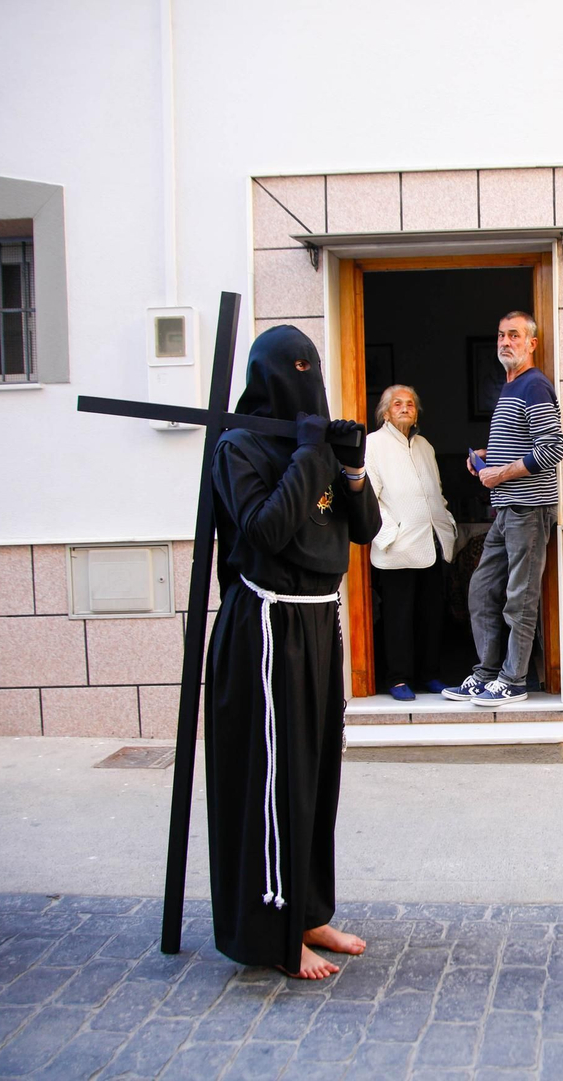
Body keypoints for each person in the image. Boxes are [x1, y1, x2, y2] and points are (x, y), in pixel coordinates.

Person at [204, 325, 381, 979]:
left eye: (314, 368)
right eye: (296, 369)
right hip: (266, 628)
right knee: (274, 782)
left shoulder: (315, 446)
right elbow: (267, 529)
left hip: (317, 623)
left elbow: (365, 531)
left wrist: (354, 467)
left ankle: (306, 910)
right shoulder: (240, 445)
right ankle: (270, 934)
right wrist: (310, 455)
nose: (308, 380)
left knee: (313, 778)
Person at [443, 311, 563, 706]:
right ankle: (487, 673)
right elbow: (521, 442)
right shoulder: (510, 387)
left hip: (528, 509)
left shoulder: (534, 385)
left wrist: (502, 474)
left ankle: (513, 679)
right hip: (506, 510)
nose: (505, 342)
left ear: (532, 343)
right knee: (480, 590)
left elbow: (553, 448)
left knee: (520, 596)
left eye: (514, 335)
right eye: (500, 335)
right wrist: (486, 455)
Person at [363, 384, 456, 701]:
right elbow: (370, 499)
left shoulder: (424, 446)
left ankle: (429, 674)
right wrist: (390, 534)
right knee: (398, 616)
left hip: (431, 543)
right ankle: (398, 678)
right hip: (397, 546)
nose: (405, 408)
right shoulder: (372, 445)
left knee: (431, 614)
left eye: (411, 404)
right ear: (386, 412)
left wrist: (448, 526)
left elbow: (436, 493)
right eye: (397, 404)